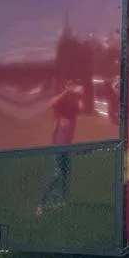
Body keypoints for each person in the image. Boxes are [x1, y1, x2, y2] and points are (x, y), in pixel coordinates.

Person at [36, 79, 83, 216]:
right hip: (58, 143)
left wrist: (78, 95)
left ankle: (62, 201)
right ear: (66, 86)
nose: (73, 87)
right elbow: (51, 103)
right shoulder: (61, 100)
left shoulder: (73, 102)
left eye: (74, 84)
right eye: (71, 85)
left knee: (66, 174)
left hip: (67, 144)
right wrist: (66, 92)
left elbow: (81, 108)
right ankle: (41, 202)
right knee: (58, 174)